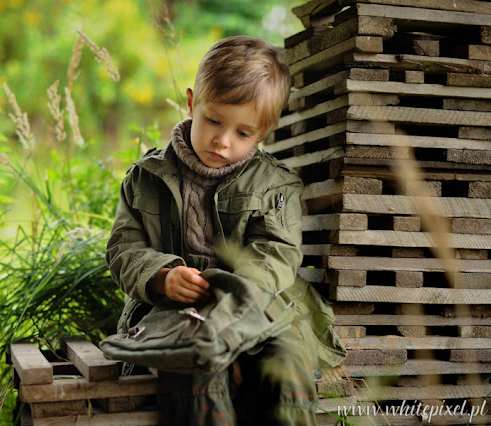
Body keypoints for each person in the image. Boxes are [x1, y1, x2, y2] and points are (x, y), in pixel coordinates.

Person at [105, 35, 346, 425]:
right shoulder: (145, 178)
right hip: (177, 311)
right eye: (213, 120)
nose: (222, 140)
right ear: (190, 103)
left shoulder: (274, 185)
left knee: (287, 366)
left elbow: (276, 254)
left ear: (263, 133)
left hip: (257, 307)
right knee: (196, 367)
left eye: (243, 133)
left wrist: (233, 294)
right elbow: (124, 247)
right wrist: (163, 276)